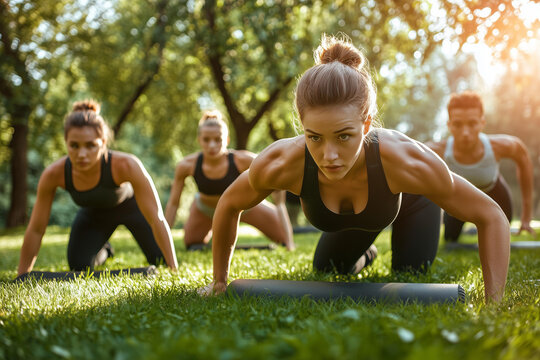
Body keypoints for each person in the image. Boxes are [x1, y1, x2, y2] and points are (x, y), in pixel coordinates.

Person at [199, 35, 510, 303]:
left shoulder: (406, 159)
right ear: (302, 127)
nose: (329, 155)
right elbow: (229, 204)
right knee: (326, 269)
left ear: (366, 124)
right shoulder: (282, 162)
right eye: (314, 137)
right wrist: (219, 282)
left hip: (411, 200)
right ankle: (369, 253)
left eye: (344, 136)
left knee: (409, 273)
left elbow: (490, 215)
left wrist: (494, 302)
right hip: (364, 216)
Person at [17, 100, 178, 275]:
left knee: (160, 259)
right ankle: (106, 250)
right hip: (93, 214)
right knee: (79, 267)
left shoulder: (127, 164)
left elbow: (157, 218)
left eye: (90, 145)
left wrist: (174, 270)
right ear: (66, 142)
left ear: (103, 142)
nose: (82, 154)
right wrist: (22, 274)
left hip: (132, 209)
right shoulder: (54, 174)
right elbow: (36, 229)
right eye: (74, 146)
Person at [164, 110, 294, 250]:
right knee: (192, 242)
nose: (212, 145)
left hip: (245, 207)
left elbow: (279, 193)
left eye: (218, 140)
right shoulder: (186, 165)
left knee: (283, 238)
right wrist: (163, 243)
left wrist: (289, 242)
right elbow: (173, 204)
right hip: (206, 209)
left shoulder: (244, 160)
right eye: (206, 140)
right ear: (199, 140)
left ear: (226, 140)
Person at [427, 91, 536, 241]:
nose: (465, 132)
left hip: (494, 193)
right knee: (450, 239)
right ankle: (473, 229)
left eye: (472, 123)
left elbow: (523, 157)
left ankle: (480, 227)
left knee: (501, 233)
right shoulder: (437, 150)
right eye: (458, 124)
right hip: (459, 200)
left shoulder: (500, 146)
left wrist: (526, 217)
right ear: (449, 125)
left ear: (482, 123)